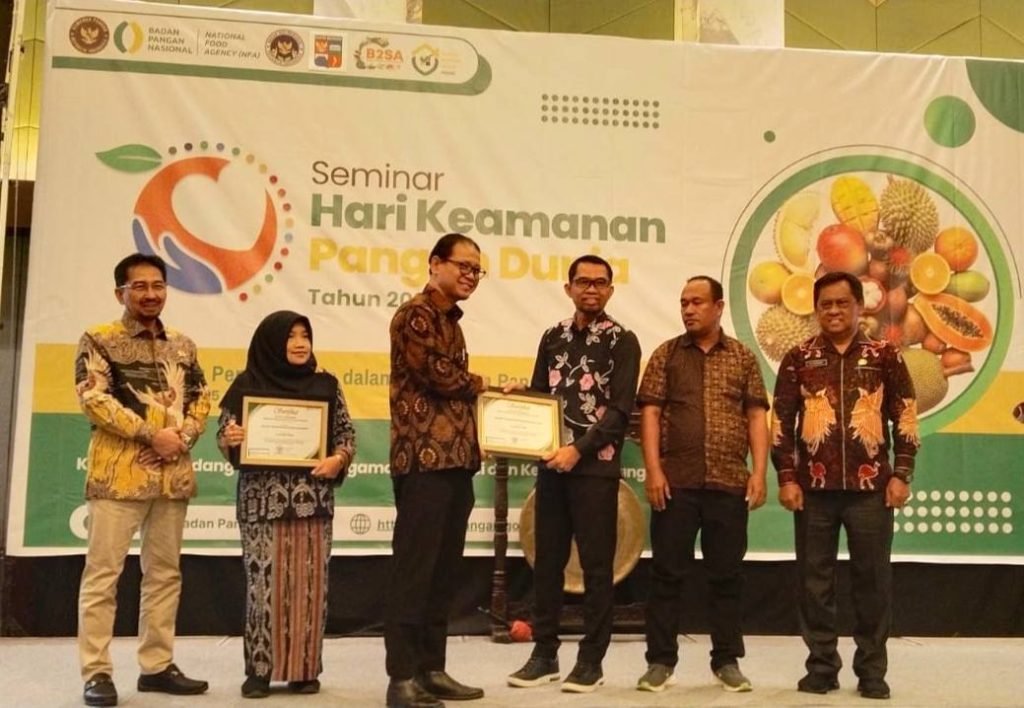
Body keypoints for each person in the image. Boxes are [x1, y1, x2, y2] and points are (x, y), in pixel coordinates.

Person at [771, 271, 919, 701]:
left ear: (859, 306)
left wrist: (901, 473)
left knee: (872, 582)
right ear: (815, 309)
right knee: (814, 583)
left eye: (842, 303)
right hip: (813, 492)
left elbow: (905, 415)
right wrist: (786, 477)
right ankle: (821, 667)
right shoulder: (798, 357)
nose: (833, 311)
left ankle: (872, 670)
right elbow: (780, 423)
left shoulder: (885, 356)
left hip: (871, 490)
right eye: (825, 304)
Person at [74, 253, 211, 707]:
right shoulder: (100, 339)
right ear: (121, 293)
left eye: (158, 285)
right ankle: (96, 672)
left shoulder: (183, 346)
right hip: (117, 478)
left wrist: (181, 438)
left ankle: (156, 666)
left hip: (172, 478)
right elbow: (94, 399)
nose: (151, 294)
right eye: (140, 286)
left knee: (165, 574)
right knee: (103, 576)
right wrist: (153, 435)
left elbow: (201, 399)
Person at [507, 255, 641, 694]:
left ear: (610, 291)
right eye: (583, 282)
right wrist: (515, 399)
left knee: (597, 568)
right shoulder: (553, 336)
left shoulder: (622, 340)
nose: (592, 289)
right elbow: (540, 397)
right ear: (568, 288)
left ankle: (590, 661)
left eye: (600, 283)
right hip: (552, 467)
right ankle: (544, 654)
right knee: (547, 563)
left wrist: (577, 451)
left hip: (595, 470)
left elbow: (620, 411)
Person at [635, 276, 769, 694]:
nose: (689, 310)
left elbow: (756, 416)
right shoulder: (667, 354)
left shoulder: (742, 357)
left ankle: (726, 661)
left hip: (729, 482)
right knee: (666, 574)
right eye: (683, 303)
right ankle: (660, 662)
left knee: (727, 576)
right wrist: (653, 470)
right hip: (675, 483)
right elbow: (650, 414)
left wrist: (759, 472)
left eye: (697, 302)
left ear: (719, 306)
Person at [217, 311, 356, 698]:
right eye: (290, 336)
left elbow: (345, 433)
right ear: (271, 343)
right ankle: (259, 671)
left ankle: (304, 671)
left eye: (305, 335)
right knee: (263, 588)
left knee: (310, 587)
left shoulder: (326, 384)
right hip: (261, 503)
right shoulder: (247, 384)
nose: (299, 343)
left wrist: (339, 458)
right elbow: (225, 433)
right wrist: (231, 437)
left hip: (313, 501)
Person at [384, 233, 490, 708]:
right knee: (414, 571)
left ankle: (431, 668)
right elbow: (439, 375)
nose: (470, 275)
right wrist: (487, 386)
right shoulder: (416, 315)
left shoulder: (452, 321)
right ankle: (402, 677)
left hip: (457, 463)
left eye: (476, 270)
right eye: (463, 266)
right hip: (423, 464)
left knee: (443, 573)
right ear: (435, 264)